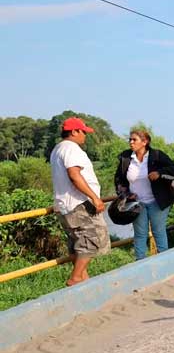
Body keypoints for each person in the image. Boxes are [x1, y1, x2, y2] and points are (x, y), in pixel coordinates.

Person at [49, 117, 111, 285]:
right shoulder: (71, 149)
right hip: (77, 204)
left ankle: (83, 279)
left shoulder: (58, 149)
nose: (85, 135)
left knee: (78, 243)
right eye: (83, 132)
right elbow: (75, 176)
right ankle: (75, 279)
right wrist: (95, 198)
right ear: (74, 131)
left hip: (65, 205)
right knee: (90, 243)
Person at [114, 130, 174, 260]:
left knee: (158, 232)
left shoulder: (156, 155)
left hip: (157, 201)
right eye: (130, 140)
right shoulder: (126, 158)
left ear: (145, 142)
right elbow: (119, 180)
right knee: (140, 234)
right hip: (137, 203)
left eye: (134, 140)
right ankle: (140, 263)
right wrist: (126, 194)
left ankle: (164, 261)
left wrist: (159, 173)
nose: (131, 142)